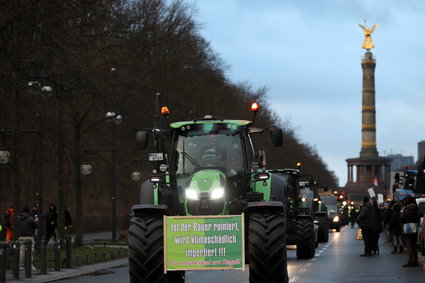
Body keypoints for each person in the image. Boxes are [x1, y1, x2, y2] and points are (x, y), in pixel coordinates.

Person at [400, 195, 420, 267]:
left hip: (408, 229)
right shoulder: (416, 209)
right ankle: (415, 261)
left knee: (409, 246)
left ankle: (410, 261)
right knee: (414, 245)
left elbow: (401, 219)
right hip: (415, 229)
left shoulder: (406, 210)